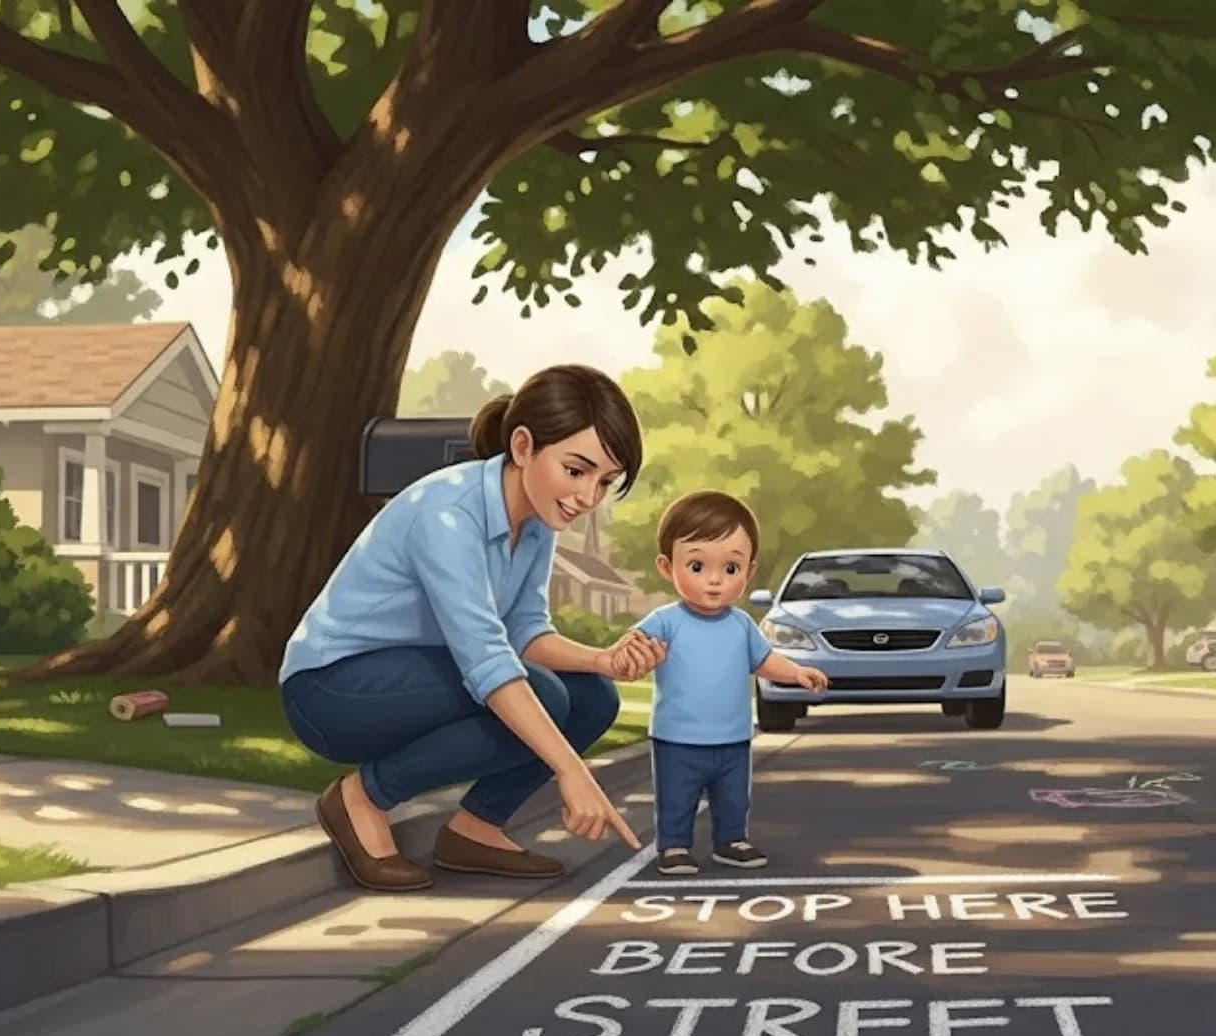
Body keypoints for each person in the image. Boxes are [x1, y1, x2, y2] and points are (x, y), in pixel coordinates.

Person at [279, 364, 666, 892]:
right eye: (576, 471)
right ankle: (362, 798)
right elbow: (488, 660)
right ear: (524, 446)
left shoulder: (535, 521)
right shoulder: (448, 513)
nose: (587, 498)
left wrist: (602, 661)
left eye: (604, 482)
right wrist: (571, 771)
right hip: (333, 688)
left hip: (418, 679)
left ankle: (476, 829)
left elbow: (525, 633)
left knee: (592, 696)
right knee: (545, 697)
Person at [632, 490, 829, 876]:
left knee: (733, 796)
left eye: (730, 569)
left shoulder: (741, 625)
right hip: (678, 739)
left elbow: (764, 660)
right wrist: (627, 655)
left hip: (733, 738)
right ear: (666, 566)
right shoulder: (664, 621)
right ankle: (674, 845)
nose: (714, 581)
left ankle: (731, 840)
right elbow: (633, 646)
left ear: (749, 571)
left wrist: (796, 673)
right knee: (676, 796)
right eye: (697, 566)